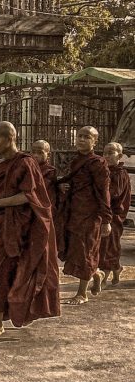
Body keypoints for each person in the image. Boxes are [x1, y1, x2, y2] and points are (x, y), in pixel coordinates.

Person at [0, 122, 59, 337]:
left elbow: (29, 196)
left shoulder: (26, 163)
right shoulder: (0, 165)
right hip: (0, 226)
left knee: (6, 273)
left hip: (20, 229)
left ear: (10, 138)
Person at [56, 126, 112, 304]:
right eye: (79, 136)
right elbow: (66, 182)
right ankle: (96, 274)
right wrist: (61, 187)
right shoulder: (75, 161)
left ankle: (82, 293)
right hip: (74, 213)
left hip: (90, 214)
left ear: (95, 142)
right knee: (76, 251)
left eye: (87, 137)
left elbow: (103, 192)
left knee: (86, 251)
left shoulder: (98, 163)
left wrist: (106, 220)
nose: (81, 140)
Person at [98, 142, 130, 287]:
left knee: (110, 245)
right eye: (105, 153)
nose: (107, 156)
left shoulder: (120, 173)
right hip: (104, 214)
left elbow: (113, 193)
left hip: (115, 215)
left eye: (111, 153)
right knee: (104, 245)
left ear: (120, 155)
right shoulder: (104, 171)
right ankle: (117, 269)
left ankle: (104, 277)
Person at [31, 140, 58, 214]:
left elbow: (40, 188)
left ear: (48, 155)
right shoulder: (28, 168)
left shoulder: (50, 171)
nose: (35, 155)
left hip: (45, 206)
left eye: (40, 153)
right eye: (33, 152)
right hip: (31, 205)